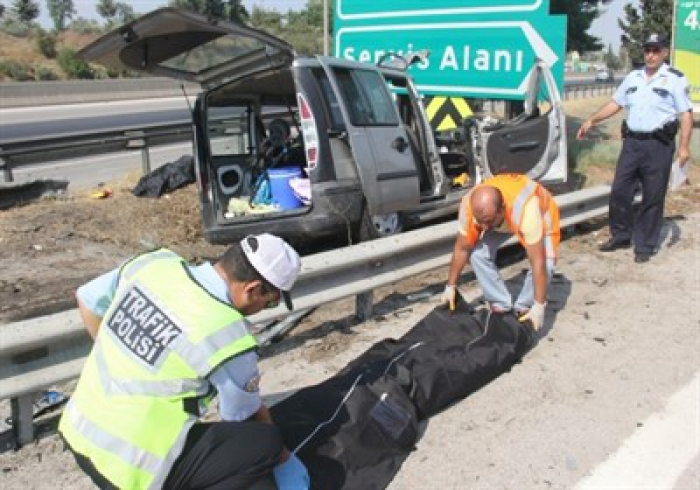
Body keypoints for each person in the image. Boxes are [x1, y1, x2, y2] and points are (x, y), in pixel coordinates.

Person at [58, 234, 309, 489]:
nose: (267, 308)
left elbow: (87, 299)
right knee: (264, 442)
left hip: (78, 428)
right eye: (271, 302)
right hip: (132, 473)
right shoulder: (227, 333)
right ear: (252, 289)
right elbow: (240, 415)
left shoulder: (155, 264)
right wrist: (283, 457)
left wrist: (122, 352)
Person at [576, 32, 693, 263]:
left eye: (655, 50)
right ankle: (620, 235)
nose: (650, 55)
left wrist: (684, 148)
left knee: (652, 195)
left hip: (658, 145)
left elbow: (685, 114)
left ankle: (645, 245)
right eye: (647, 50)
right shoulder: (633, 77)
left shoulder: (674, 79)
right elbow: (616, 103)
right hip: (632, 144)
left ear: (664, 53)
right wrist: (592, 120)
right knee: (620, 190)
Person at [442, 173, 560, 331]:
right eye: (480, 221)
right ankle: (500, 304)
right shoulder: (470, 207)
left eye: (488, 221)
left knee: (546, 263)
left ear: (502, 209)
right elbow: (462, 248)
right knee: (477, 254)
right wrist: (451, 286)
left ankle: (525, 307)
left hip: (541, 213)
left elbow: (538, 261)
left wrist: (539, 305)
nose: (483, 228)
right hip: (503, 219)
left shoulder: (527, 211)